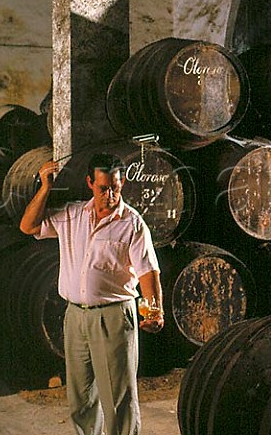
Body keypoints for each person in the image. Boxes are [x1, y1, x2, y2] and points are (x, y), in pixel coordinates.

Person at [19, 152, 164, 435]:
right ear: (89, 183)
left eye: (115, 187)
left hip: (113, 318)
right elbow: (28, 226)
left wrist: (155, 311)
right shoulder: (72, 215)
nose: (110, 194)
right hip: (75, 317)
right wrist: (45, 187)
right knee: (81, 397)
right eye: (103, 188)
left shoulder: (132, 224)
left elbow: (148, 272)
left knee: (118, 399)